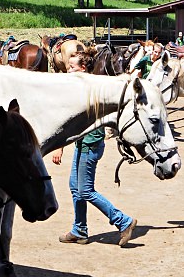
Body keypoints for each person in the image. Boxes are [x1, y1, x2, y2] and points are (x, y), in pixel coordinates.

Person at [52, 51, 136, 246]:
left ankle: (123, 221)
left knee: (85, 190)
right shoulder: (83, 87)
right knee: (75, 188)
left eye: (72, 66)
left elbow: (72, 122)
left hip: (89, 144)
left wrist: (60, 146)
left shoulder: (88, 90)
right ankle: (79, 230)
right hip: (84, 144)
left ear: (83, 68)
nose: (68, 69)